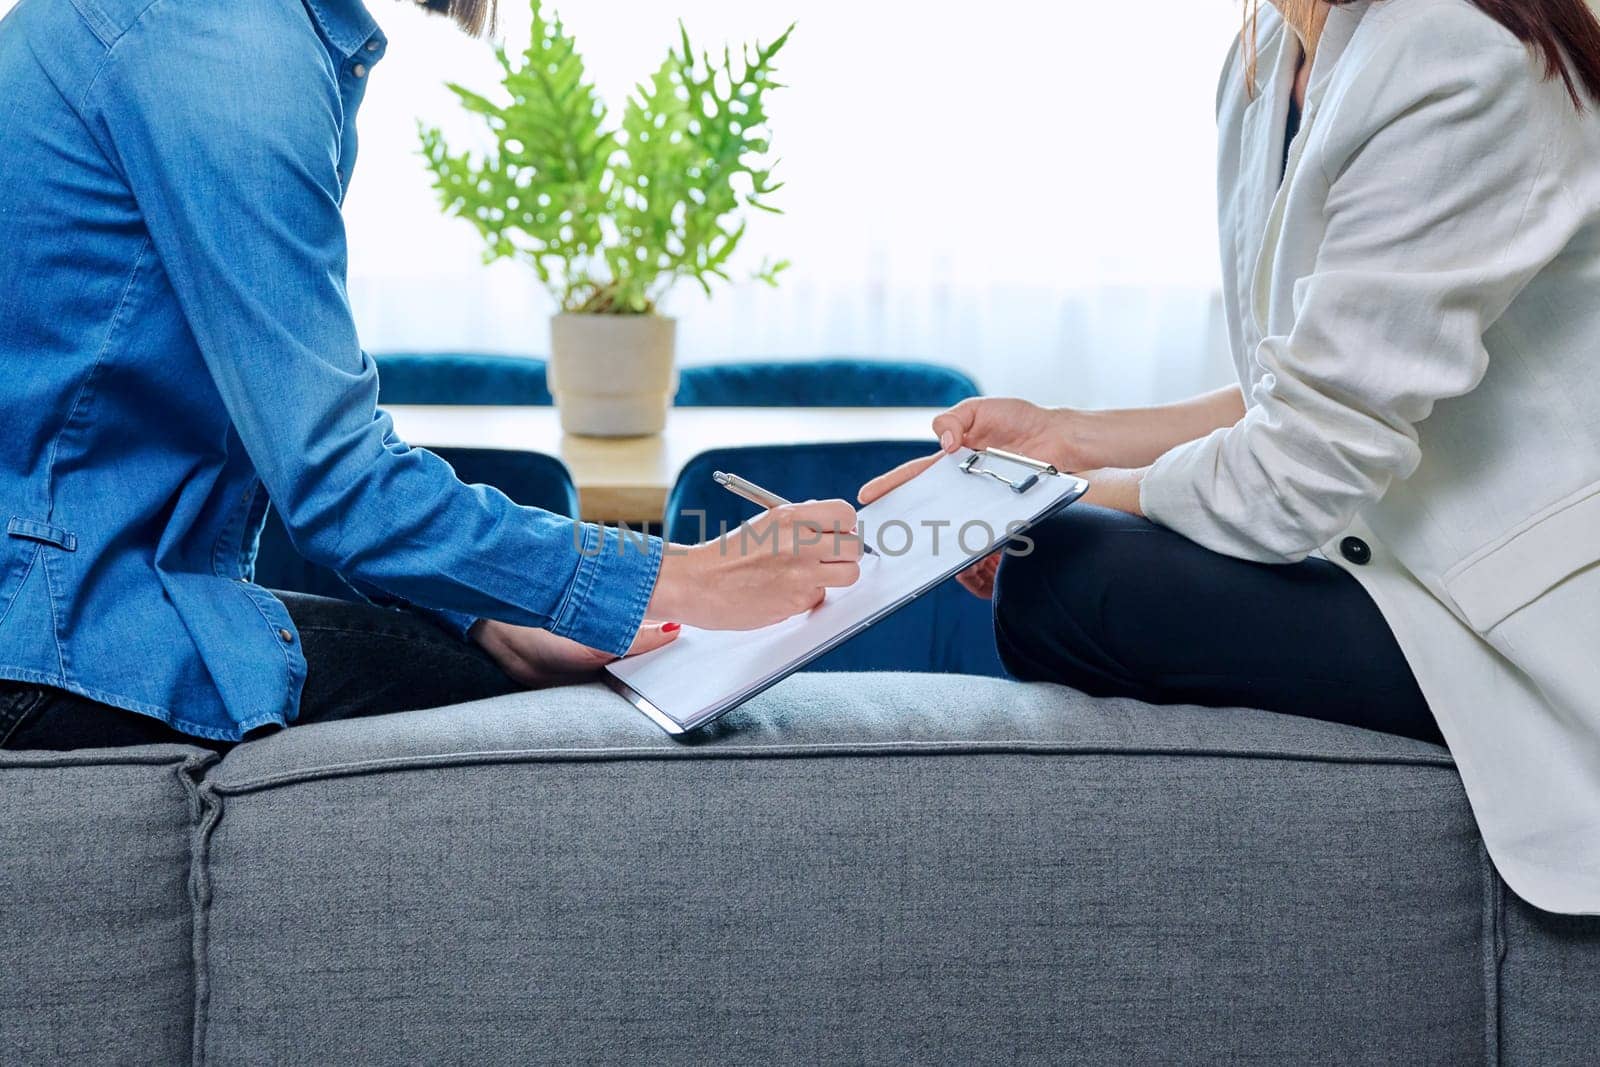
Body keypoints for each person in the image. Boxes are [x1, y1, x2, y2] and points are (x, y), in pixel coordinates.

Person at [863, 0, 1600, 915]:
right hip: (1390, 565)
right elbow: (1299, 391)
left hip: (1514, 629)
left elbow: (1297, 478)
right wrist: (1065, 438)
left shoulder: (1459, 56)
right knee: (1058, 559)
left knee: (1060, 573)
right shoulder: (1262, 65)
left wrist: (1027, 495)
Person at [0, 0, 862, 752]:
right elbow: (340, 489)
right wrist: (684, 577)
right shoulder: (225, 45)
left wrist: (489, 615)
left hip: (59, 606)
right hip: (54, 635)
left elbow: (303, 461)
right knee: (574, 722)